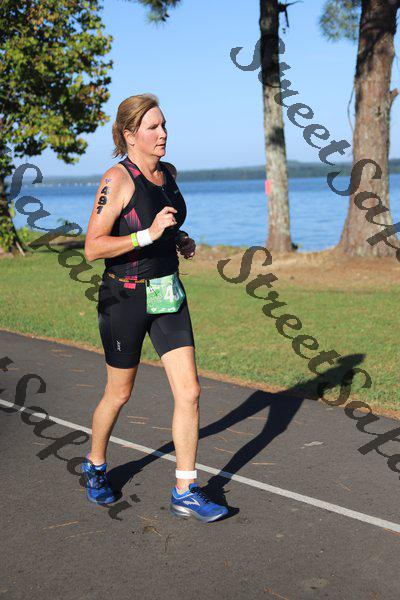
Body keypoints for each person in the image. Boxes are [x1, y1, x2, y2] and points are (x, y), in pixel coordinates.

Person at [81, 93, 228, 523]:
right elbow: (93, 247)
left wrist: (178, 239)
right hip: (125, 297)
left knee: (190, 392)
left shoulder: (168, 175)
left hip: (168, 294)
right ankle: (95, 465)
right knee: (120, 393)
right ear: (130, 134)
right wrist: (147, 235)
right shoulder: (117, 179)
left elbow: (166, 224)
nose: (163, 133)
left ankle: (185, 489)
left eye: (164, 125)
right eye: (153, 127)